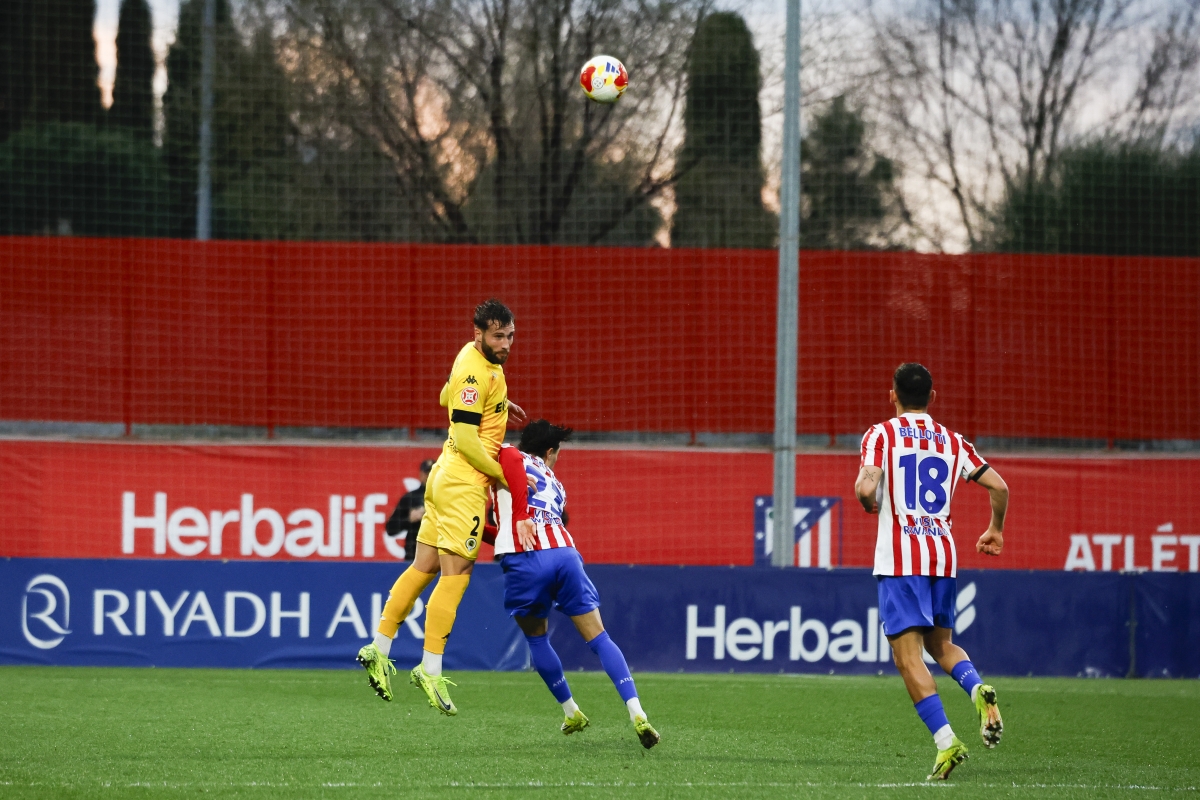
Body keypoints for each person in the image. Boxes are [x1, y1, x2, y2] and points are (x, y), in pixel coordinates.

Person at [357, 299, 526, 713]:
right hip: (463, 484)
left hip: (443, 478)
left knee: (423, 566)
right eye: (498, 336)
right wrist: (504, 479)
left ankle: (379, 647)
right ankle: (430, 669)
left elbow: (444, 398)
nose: (505, 344)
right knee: (458, 574)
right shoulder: (476, 367)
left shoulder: (472, 359)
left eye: (510, 336)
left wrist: (500, 408)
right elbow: (468, 439)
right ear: (479, 334)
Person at [853, 363, 1008, 781]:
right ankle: (977, 689)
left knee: (907, 658)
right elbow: (999, 486)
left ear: (893, 395)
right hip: (942, 555)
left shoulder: (881, 435)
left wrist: (867, 500)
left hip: (901, 560)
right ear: (932, 398)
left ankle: (947, 743)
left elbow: (867, 486)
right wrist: (994, 529)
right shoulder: (952, 440)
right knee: (942, 647)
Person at [484, 419, 660, 749]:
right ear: (550, 453)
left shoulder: (507, 455)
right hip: (565, 554)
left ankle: (572, 711)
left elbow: (510, 518)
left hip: (525, 558)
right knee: (599, 636)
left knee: (536, 639)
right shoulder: (556, 484)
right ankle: (637, 711)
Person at [385, 459, 435, 560]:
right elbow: (391, 528)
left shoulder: (445, 498)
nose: (429, 476)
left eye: (432, 473)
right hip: (414, 554)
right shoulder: (410, 498)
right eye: (427, 473)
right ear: (421, 474)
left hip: (439, 554)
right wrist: (409, 519)